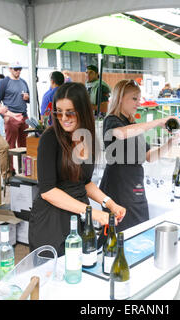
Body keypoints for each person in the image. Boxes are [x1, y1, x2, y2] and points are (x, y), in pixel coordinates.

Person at [28, 82, 126, 256]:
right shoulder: (50, 139)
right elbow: (48, 191)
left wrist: (110, 203)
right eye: (59, 111)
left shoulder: (88, 138)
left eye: (70, 112)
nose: (64, 118)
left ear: (82, 111)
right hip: (52, 222)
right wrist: (91, 212)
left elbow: (84, 182)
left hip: (79, 219)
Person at [99, 79, 180, 236]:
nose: (138, 103)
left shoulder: (133, 124)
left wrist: (171, 142)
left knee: (140, 232)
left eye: (139, 99)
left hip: (134, 186)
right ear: (120, 98)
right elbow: (120, 133)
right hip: (118, 188)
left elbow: (149, 157)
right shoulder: (112, 121)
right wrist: (158, 121)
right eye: (134, 98)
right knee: (122, 236)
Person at [0, 61, 30, 175]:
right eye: (16, 69)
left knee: (24, 145)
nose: (18, 71)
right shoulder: (4, 82)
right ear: (10, 69)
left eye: (20, 69)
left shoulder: (23, 82)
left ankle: (25, 170)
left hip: (24, 116)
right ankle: (10, 171)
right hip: (11, 117)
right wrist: (4, 116)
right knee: (10, 146)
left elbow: (29, 98)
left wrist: (27, 97)